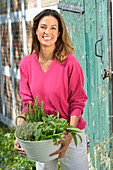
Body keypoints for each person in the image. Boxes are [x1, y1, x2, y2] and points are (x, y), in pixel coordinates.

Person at [14, 9, 89, 170]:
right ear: (35, 31)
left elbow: (77, 102)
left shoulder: (70, 63)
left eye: (53, 27)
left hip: (71, 132)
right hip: (42, 134)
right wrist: (20, 133)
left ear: (59, 32)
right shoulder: (26, 64)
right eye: (43, 27)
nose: (48, 32)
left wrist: (69, 135)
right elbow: (28, 104)